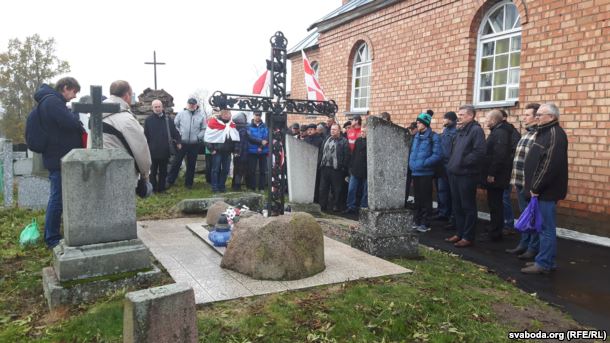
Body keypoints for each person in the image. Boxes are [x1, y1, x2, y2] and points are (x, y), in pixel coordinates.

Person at [34, 77, 84, 249]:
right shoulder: (53, 102)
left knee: (58, 197)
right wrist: (76, 120)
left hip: (58, 156)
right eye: (74, 92)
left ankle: (52, 235)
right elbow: (70, 123)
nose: (74, 96)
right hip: (58, 158)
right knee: (57, 199)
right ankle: (52, 238)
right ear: (65, 87)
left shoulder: (51, 101)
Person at [521, 103, 568, 274]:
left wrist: (536, 187)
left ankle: (545, 264)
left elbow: (549, 166)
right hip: (540, 191)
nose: (537, 117)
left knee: (546, 229)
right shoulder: (544, 133)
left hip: (545, 192)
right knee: (542, 228)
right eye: (537, 114)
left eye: (540, 114)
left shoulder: (555, 134)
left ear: (552, 117)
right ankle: (544, 260)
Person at [445, 104, 486, 248]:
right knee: (457, 206)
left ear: (470, 116)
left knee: (467, 206)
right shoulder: (461, 131)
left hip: (467, 175)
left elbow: (479, 152)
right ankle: (460, 232)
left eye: (461, 115)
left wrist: (462, 162)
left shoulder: (476, 131)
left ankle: (468, 236)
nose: (459, 118)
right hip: (455, 174)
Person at [506, 103, 540, 257]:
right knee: (523, 216)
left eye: (527, 115)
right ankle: (523, 244)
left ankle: (533, 248)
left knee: (532, 218)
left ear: (536, 117)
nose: (524, 117)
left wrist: (533, 186)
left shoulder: (539, 136)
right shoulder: (526, 134)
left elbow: (538, 164)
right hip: (520, 183)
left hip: (530, 186)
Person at [101, 81, 152, 182]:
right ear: (126, 95)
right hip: (120, 174)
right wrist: (145, 174)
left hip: (97, 172)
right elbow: (140, 149)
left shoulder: (96, 115)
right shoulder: (126, 119)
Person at [481, 109, 514, 242]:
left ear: (494, 120)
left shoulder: (500, 133)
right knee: (494, 204)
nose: (485, 121)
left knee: (496, 204)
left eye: (487, 119)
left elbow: (499, 155)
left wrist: (491, 173)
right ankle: (495, 228)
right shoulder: (497, 131)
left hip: (497, 177)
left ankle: (495, 233)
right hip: (496, 175)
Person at [409, 112, 442, 232]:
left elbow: (437, 155)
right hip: (415, 172)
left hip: (426, 173)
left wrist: (424, 163)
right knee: (417, 199)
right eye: (417, 122)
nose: (417, 124)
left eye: (419, 122)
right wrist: (411, 164)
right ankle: (417, 220)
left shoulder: (434, 137)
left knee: (426, 199)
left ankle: (425, 223)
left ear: (425, 124)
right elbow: (413, 152)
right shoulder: (416, 136)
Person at [166, 98, 206, 189]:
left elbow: (204, 128)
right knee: (177, 162)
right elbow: (175, 125)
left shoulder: (201, 116)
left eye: (193, 104)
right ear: (187, 104)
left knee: (191, 164)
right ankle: (170, 181)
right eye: (190, 104)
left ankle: (189, 184)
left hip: (194, 144)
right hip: (182, 143)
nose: (191, 105)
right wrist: (179, 135)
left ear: (196, 105)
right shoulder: (181, 114)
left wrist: (198, 137)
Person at [143, 99, 181, 193]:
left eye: (159, 106)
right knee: (153, 172)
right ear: (152, 108)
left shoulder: (168, 120)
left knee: (163, 171)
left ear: (162, 107)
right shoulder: (148, 120)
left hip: (165, 150)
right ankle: (154, 189)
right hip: (152, 151)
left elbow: (175, 133)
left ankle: (162, 189)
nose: (157, 108)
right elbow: (145, 135)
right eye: (155, 107)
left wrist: (179, 142)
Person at [204, 109, 240, 192]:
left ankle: (222, 186)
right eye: (225, 113)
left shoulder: (232, 125)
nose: (226, 115)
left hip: (227, 152)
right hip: (217, 151)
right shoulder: (213, 123)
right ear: (221, 114)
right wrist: (211, 149)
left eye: (228, 113)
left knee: (226, 170)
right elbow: (207, 138)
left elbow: (236, 139)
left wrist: (236, 150)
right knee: (215, 170)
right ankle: (214, 187)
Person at [318, 123, 350, 212]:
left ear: (339, 130)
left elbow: (347, 155)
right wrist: (319, 164)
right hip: (325, 167)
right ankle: (322, 206)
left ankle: (336, 206)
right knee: (323, 188)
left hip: (336, 169)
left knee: (337, 189)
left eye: (334, 129)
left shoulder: (344, 141)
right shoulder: (326, 139)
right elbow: (321, 152)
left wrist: (343, 167)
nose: (332, 131)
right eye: (331, 129)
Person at [500, 109, 522, 232]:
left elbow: (515, 153)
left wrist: (504, 162)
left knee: (505, 198)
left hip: (507, 171)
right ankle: (501, 223)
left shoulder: (512, 133)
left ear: (503, 118)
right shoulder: (499, 131)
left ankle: (508, 224)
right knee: (500, 198)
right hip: (499, 171)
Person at [435, 111, 457, 228]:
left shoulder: (455, 132)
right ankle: (444, 212)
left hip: (450, 165)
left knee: (452, 193)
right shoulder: (445, 131)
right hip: (442, 165)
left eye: (445, 119)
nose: (443, 121)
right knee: (442, 190)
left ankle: (452, 216)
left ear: (450, 120)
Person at [344, 125, 368, 214]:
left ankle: (363, 207)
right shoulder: (358, 141)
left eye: (364, 132)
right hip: (355, 168)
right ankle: (350, 206)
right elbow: (353, 154)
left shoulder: (371, 142)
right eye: (361, 131)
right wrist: (351, 167)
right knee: (351, 189)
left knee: (366, 191)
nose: (362, 133)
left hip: (366, 170)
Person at [246, 112, 269, 191]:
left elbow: (267, 137)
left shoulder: (265, 126)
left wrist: (261, 147)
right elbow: (249, 137)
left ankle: (261, 188)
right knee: (251, 170)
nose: (258, 117)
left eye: (259, 115)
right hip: (252, 151)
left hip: (263, 151)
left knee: (263, 171)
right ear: (253, 115)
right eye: (256, 115)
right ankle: (252, 187)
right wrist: (260, 142)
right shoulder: (248, 126)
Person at [231, 112, 249, 191]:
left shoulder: (235, 128)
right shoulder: (242, 129)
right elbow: (240, 142)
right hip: (242, 152)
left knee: (237, 169)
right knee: (240, 169)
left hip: (237, 152)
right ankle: (237, 186)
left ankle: (234, 184)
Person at [404, 121, 418, 207]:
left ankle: (417, 203)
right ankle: (405, 200)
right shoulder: (410, 137)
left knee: (417, 186)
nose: (411, 130)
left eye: (413, 129)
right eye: (410, 129)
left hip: (415, 166)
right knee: (407, 184)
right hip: (408, 165)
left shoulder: (417, 138)